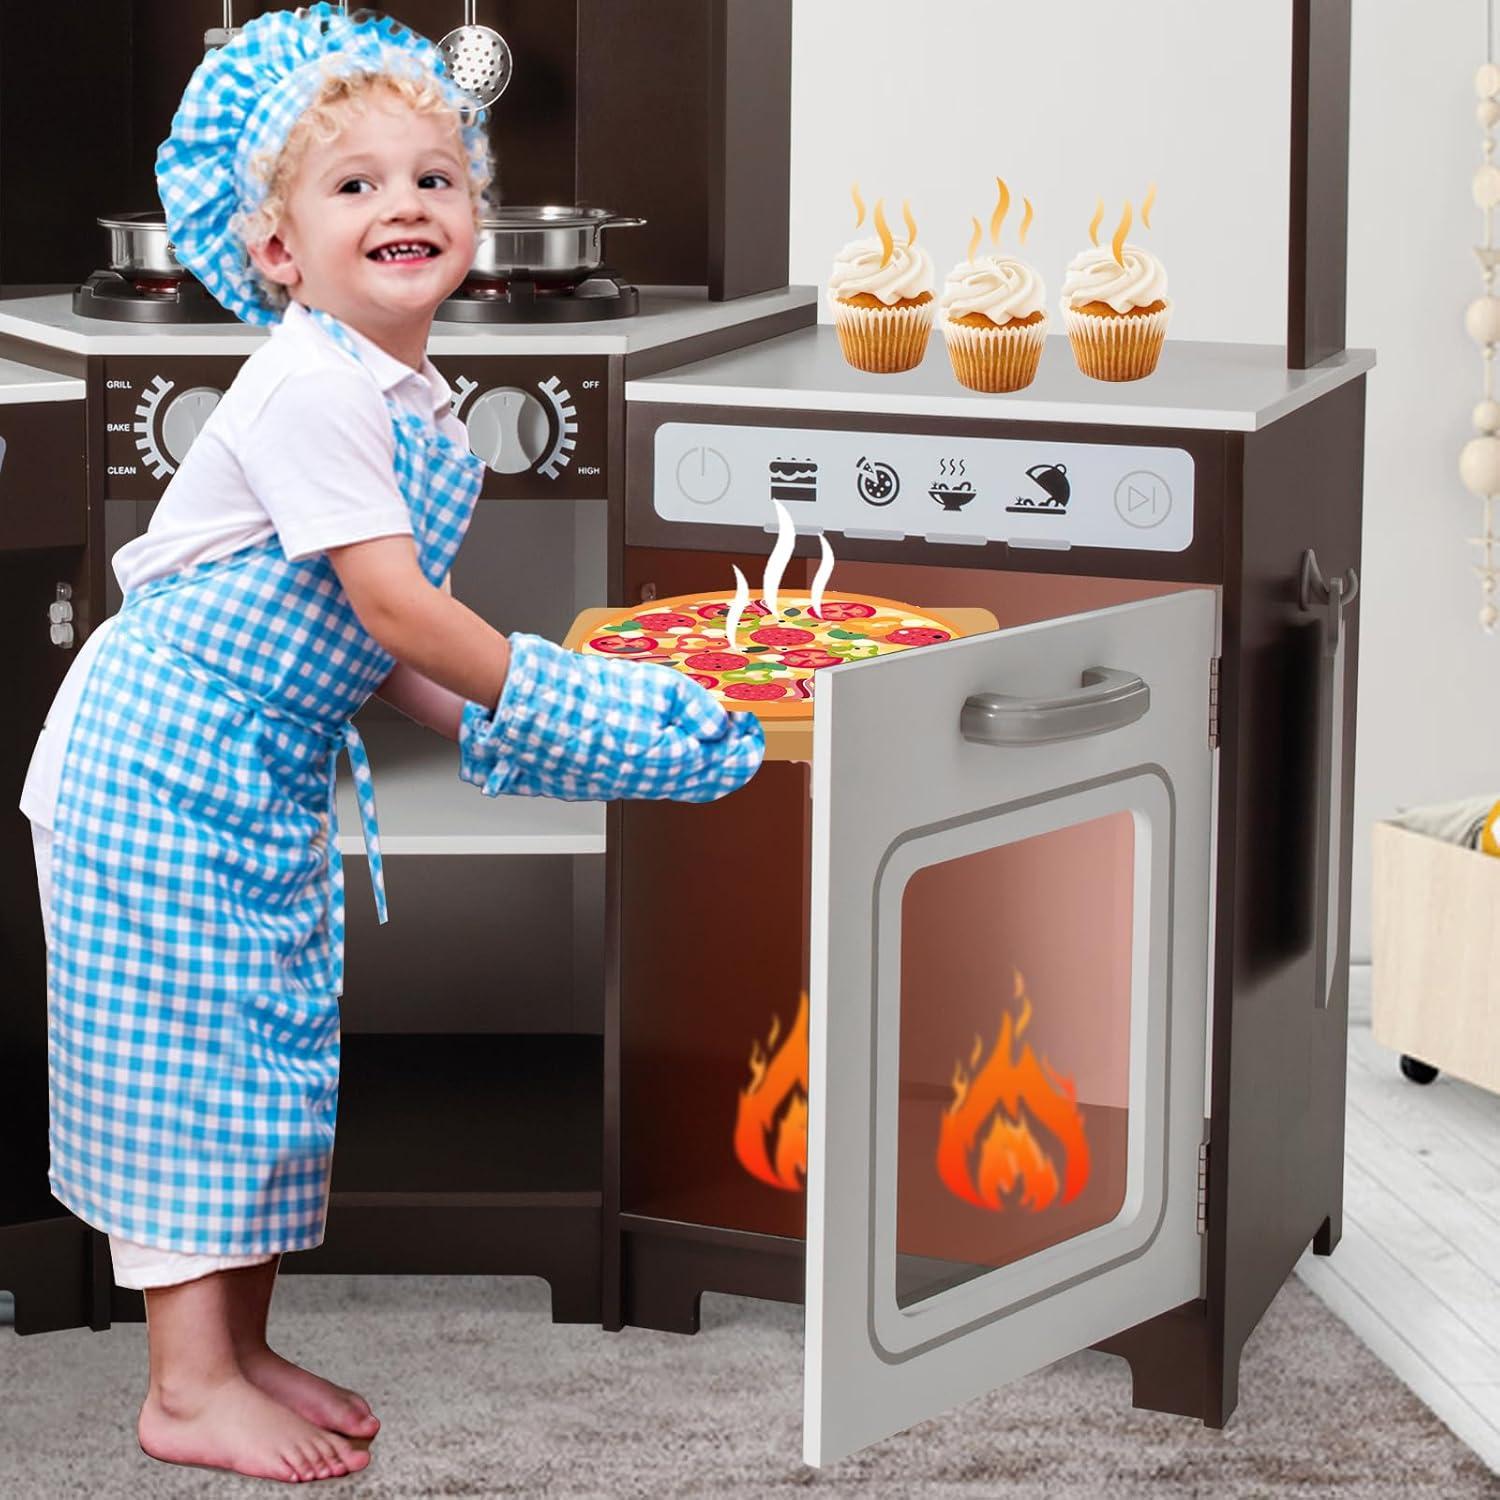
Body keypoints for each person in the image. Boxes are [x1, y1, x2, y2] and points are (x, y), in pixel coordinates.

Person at [19, 5, 762, 1484]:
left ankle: (237, 1351)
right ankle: (183, 1386)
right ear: (279, 251)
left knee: (265, 1066)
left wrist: (529, 729)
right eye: (353, 185)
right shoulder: (307, 385)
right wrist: (578, 705)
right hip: (153, 774)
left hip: (252, 769)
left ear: (479, 222)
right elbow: (404, 618)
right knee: (187, 1069)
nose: (404, 203)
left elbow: (382, 647)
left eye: (436, 176)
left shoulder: (401, 392)